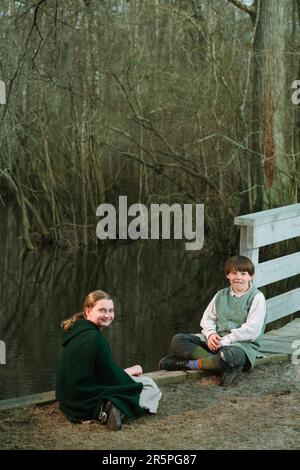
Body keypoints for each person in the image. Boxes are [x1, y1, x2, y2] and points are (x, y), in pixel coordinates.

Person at [56, 290, 161, 430]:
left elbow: (100, 371)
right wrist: (130, 379)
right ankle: (110, 409)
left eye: (111, 311)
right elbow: (110, 377)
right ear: (88, 311)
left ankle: (109, 407)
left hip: (68, 400)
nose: (108, 315)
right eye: (102, 310)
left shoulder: (77, 331)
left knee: (136, 380)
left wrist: (126, 372)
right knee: (148, 385)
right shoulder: (94, 338)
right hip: (84, 400)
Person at [159, 255, 266, 385]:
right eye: (234, 273)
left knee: (228, 355)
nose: (238, 277)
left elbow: (252, 330)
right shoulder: (221, 295)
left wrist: (226, 340)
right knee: (178, 340)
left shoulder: (257, 297)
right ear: (228, 275)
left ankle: (189, 364)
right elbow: (207, 319)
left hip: (241, 345)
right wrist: (211, 334)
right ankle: (218, 365)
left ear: (251, 276)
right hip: (215, 341)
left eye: (243, 274)